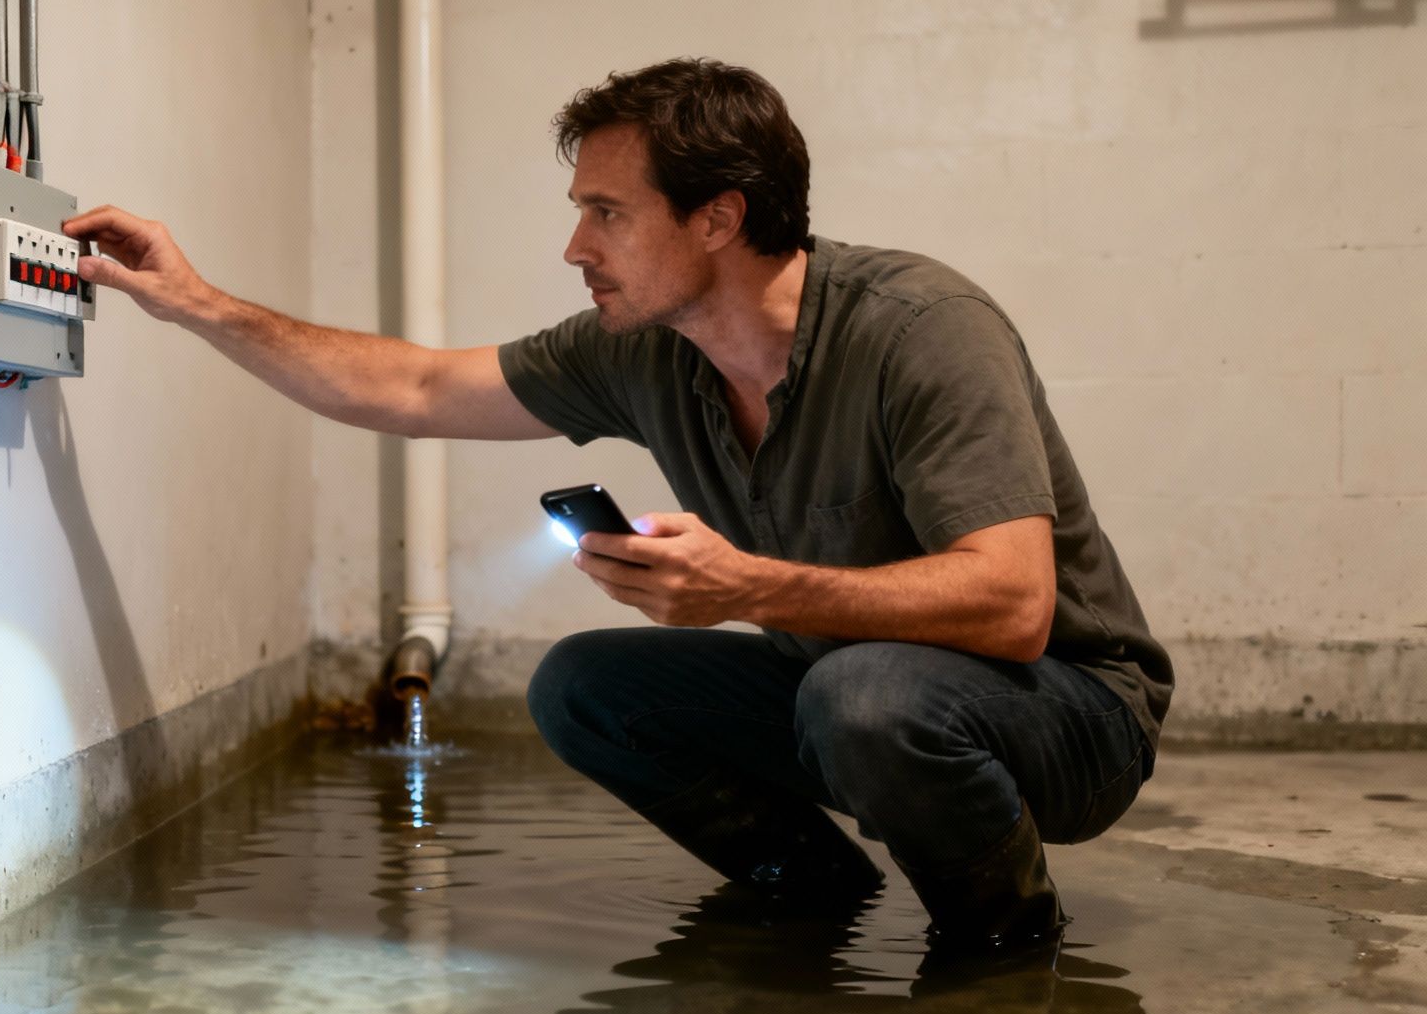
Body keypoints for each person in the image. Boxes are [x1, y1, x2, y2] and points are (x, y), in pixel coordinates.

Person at [62, 57, 1174, 952]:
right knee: (584, 687)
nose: (574, 246)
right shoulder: (642, 349)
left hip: (1067, 711)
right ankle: (809, 904)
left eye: (606, 211)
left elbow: (1013, 603)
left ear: (716, 219)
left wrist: (748, 585)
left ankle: (1003, 949)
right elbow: (406, 386)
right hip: (841, 687)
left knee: (863, 695)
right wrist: (195, 304)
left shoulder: (920, 328)